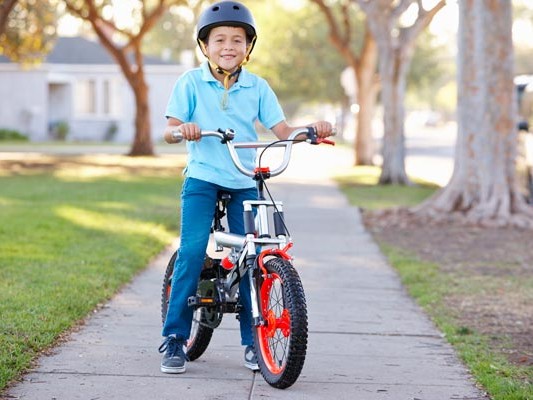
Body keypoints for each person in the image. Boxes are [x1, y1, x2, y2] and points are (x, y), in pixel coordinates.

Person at [159, 0, 334, 374]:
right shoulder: (191, 82)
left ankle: (252, 342)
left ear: (248, 47)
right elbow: (170, 129)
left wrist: (312, 131)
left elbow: (283, 132)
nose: (228, 46)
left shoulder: (257, 86)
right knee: (191, 251)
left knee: (252, 259)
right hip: (203, 177)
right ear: (205, 46)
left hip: (243, 179)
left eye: (237, 40)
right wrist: (183, 130)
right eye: (219, 39)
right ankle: (174, 338)